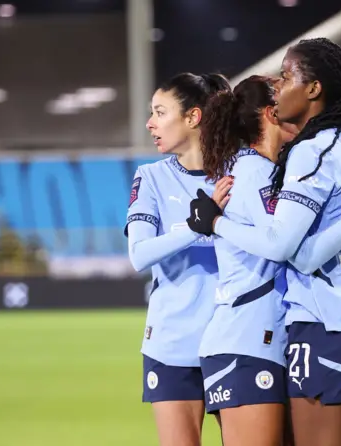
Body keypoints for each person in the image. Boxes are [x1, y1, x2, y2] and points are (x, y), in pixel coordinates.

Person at [186, 39, 341, 446]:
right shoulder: (253, 171)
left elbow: (302, 242)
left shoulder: (297, 160)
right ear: (271, 113)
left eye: (288, 77)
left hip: (301, 331)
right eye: (281, 81)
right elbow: (290, 247)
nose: (285, 86)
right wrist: (213, 223)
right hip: (250, 340)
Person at [124, 72, 231, 446]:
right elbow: (139, 254)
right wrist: (196, 226)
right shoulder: (150, 177)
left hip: (238, 339)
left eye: (160, 112)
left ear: (192, 117)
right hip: (172, 344)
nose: (150, 123)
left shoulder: (242, 174)